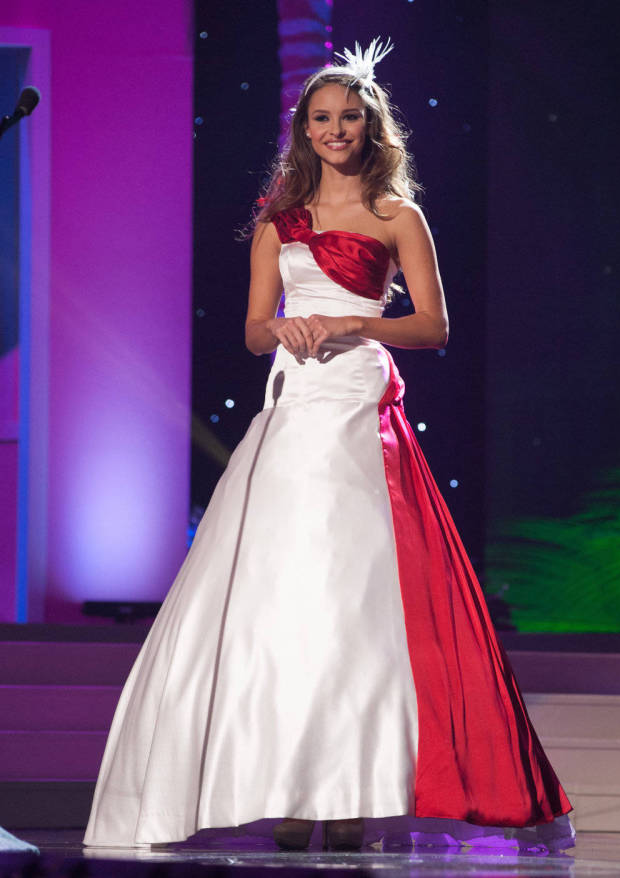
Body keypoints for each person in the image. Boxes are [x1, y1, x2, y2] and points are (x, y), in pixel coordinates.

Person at [83, 38, 574, 853]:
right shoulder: (278, 223)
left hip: (356, 409)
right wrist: (282, 328)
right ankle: (290, 785)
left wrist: (352, 322)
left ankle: (349, 789)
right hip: (294, 409)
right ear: (303, 130)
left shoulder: (398, 216)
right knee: (280, 595)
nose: (335, 130)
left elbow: (433, 326)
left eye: (348, 117)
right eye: (321, 118)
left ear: (370, 127)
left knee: (355, 596)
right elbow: (252, 330)